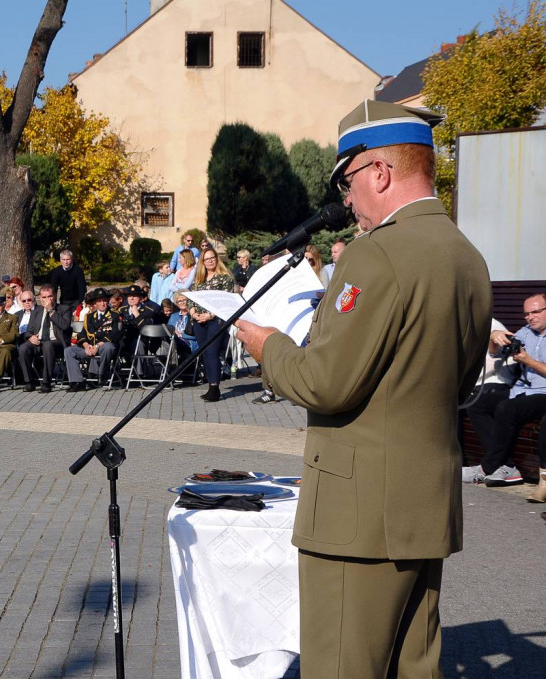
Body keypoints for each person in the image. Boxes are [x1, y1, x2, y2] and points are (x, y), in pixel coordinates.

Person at [235, 100, 491, 679]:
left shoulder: (376, 256)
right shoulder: (467, 257)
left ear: (380, 172)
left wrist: (268, 347)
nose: (347, 200)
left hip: (356, 521)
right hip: (423, 511)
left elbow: (325, 384)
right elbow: (458, 383)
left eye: (349, 181)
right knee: (415, 669)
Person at [463, 293, 546, 494]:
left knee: (507, 408)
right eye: (527, 314)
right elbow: (495, 353)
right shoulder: (526, 333)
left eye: (536, 312)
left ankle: (488, 466)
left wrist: (528, 361)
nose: (530, 317)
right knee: (477, 403)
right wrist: (493, 338)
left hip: (543, 393)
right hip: (522, 390)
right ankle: (507, 466)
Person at [189, 248, 234, 402]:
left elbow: (225, 301)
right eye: (206, 259)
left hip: (216, 320)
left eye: (212, 258)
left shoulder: (225, 278)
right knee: (204, 353)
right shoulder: (198, 279)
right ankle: (210, 386)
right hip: (198, 321)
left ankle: (215, 387)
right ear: (202, 262)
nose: (210, 261)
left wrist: (209, 315)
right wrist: (194, 314)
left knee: (212, 353)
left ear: (217, 258)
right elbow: (190, 298)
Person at [65, 288, 122, 392]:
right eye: (99, 301)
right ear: (95, 303)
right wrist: (86, 346)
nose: (102, 303)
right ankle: (77, 382)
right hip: (90, 348)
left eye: (104, 300)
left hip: (103, 348)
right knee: (69, 351)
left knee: (108, 347)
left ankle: (102, 374)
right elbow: (82, 334)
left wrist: (97, 346)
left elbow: (115, 335)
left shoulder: (115, 315)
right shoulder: (89, 316)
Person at [16, 287, 71, 393]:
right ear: (40, 298)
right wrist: (30, 337)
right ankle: (29, 381)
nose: (47, 299)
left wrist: (51, 310)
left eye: (50, 296)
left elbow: (64, 326)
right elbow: (29, 331)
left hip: (56, 342)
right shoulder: (37, 311)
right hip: (38, 342)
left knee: (48, 345)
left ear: (54, 296)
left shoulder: (64, 309)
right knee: (23, 348)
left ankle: (46, 382)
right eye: (44, 297)